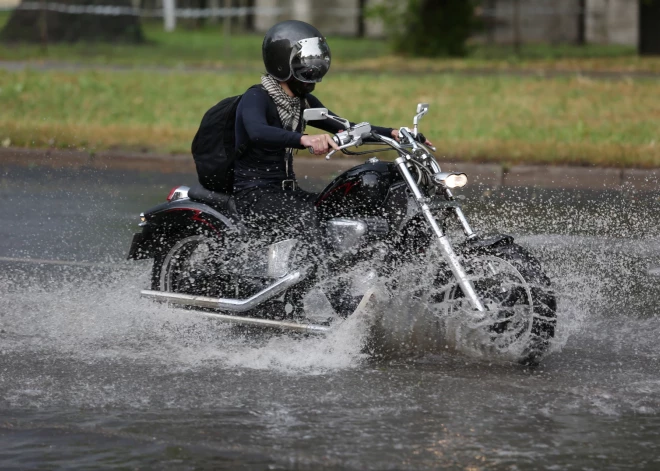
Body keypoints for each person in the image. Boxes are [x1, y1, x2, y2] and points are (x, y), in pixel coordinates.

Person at [233, 20, 404, 245]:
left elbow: (344, 126)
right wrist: (304, 139)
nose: (312, 69)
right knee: (308, 216)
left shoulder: (302, 102)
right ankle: (316, 277)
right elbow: (258, 132)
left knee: (335, 208)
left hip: (285, 190)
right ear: (282, 63)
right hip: (254, 192)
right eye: (304, 62)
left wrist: (393, 133)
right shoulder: (256, 97)